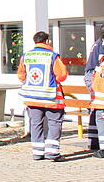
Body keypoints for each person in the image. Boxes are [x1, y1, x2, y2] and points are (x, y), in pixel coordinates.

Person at [17, 31, 69, 161]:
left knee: (35, 124)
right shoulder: (52, 56)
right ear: (47, 41)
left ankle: (37, 153)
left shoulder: (26, 56)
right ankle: (52, 153)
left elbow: (21, 75)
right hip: (51, 98)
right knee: (54, 123)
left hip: (32, 98)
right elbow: (62, 75)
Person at [83, 23, 104, 151]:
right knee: (100, 107)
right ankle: (102, 143)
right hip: (96, 76)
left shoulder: (97, 42)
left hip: (91, 75)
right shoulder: (103, 44)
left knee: (96, 107)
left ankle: (93, 140)